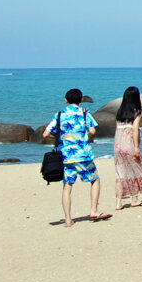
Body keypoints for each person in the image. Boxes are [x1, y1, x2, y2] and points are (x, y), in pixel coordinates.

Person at [42, 89, 111, 226]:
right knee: (95, 180)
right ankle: (94, 210)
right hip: (83, 155)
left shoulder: (60, 115)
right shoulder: (84, 113)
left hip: (67, 156)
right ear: (81, 100)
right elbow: (92, 131)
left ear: (66, 100)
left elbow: (45, 134)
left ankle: (68, 220)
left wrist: (60, 139)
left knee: (67, 187)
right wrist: (87, 138)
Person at [113, 86, 142, 210]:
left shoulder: (120, 112)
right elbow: (135, 129)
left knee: (120, 173)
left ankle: (118, 203)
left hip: (117, 145)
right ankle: (135, 199)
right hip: (129, 144)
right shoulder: (137, 112)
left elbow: (117, 129)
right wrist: (136, 147)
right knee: (135, 170)